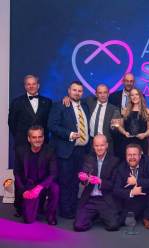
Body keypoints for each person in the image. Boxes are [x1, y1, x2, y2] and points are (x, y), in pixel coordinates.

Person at [8, 74, 52, 216]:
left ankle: (39, 206)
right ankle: (20, 207)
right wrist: (22, 140)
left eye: (34, 84)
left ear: (38, 85)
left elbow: (49, 124)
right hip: (23, 144)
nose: (31, 86)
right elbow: (12, 123)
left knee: (41, 175)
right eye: (28, 84)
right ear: (25, 86)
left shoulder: (47, 102)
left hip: (41, 145)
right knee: (21, 175)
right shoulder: (16, 102)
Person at [48, 81, 90, 219]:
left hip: (80, 151)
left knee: (75, 182)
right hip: (66, 151)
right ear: (68, 91)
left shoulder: (84, 105)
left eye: (80, 91)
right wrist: (70, 134)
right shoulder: (60, 105)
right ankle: (65, 211)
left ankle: (73, 208)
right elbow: (52, 126)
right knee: (65, 181)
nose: (77, 92)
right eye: (74, 90)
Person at [74, 134, 120, 232]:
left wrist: (100, 181)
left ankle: (100, 215)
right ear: (93, 146)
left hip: (105, 199)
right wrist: (83, 178)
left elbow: (114, 185)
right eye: (96, 145)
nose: (99, 148)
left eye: (102, 145)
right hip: (90, 199)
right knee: (78, 226)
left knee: (113, 226)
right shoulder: (88, 158)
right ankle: (94, 217)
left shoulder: (114, 161)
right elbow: (84, 180)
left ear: (107, 145)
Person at [13, 126, 59, 225]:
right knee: (28, 220)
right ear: (29, 139)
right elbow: (16, 173)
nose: (37, 140)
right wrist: (23, 190)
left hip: (44, 184)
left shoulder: (50, 150)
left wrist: (39, 187)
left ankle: (51, 214)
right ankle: (33, 207)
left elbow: (53, 174)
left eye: (40, 136)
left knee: (55, 188)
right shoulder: (20, 150)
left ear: (43, 137)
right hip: (28, 185)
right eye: (34, 137)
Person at [113, 144, 149, 229]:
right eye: (129, 155)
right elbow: (116, 190)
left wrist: (137, 181)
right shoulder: (121, 167)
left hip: (146, 195)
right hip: (132, 200)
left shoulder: (148, 161)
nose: (132, 157)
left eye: (135, 155)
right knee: (118, 223)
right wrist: (132, 192)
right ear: (126, 156)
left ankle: (147, 217)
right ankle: (139, 213)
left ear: (140, 156)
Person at [62, 84, 121, 155]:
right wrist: (67, 97)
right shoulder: (89, 101)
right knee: (88, 165)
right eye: (100, 93)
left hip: (105, 144)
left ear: (108, 94)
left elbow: (116, 131)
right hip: (89, 143)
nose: (103, 95)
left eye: (105, 92)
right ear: (96, 94)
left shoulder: (114, 109)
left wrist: (114, 127)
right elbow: (76, 99)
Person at [112, 88, 149, 155]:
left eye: (136, 94)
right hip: (127, 142)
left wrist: (144, 135)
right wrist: (124, 132)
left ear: (140, 96)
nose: (134, 97)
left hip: (142, 143)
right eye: (132, 95)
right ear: (130, 97)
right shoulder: (125, 111)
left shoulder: (147, 111)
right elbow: (120, 126)